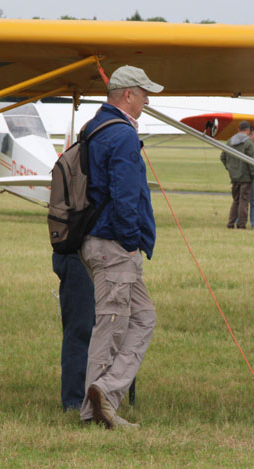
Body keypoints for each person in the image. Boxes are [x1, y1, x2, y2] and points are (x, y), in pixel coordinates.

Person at [78, 65, 161, 429]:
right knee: (111, 325)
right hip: (114, 245)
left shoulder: (94, 127)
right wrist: (130, 242)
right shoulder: (123, 134)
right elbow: (125, 194)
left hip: (97, 240)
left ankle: (104, 396)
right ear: (128, 94)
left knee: (143, 317)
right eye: (143, 94)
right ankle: (97, 405)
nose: (146, 101)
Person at [52, 252, 95, 412]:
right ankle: (75, 401)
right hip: (77, 253)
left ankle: (98, 394)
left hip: (96, 254)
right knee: (80, 329)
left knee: (97, 328)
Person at [220, 121, 254, 229]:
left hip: (234, 177)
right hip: (245, 177)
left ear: (238, 130)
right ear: (248, 130)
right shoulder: (249, 143)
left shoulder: (230, 141)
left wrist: (230, 169)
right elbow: (251, 162)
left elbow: (223, 157)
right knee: (244, 201)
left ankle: (231, 223)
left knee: (236, 200)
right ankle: (241, 224)